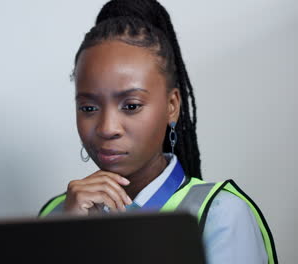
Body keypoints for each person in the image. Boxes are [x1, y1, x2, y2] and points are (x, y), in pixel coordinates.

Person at [38, 0, 278, 263]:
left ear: (172, 106)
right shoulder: (57, 213)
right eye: (88, 108)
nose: (107, 128)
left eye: (131, 105)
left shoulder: (219, 213)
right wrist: (66, 238)